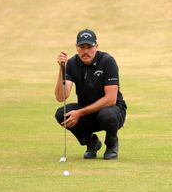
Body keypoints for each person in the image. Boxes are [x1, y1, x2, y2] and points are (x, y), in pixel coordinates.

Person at [54, 29, 127, 159]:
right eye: (82, 47)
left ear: (96, 47)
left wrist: (80, 113)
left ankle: (111, 145)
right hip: (88, 112)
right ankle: (91, 142)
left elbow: (110, 99)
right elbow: (61, 97)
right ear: (76, 47)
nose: (85, 51)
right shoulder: (71, 63)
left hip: (113, 111)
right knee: (62, 113)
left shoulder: (107, 61)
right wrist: (62, 68)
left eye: (89, 47)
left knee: (107, 114)